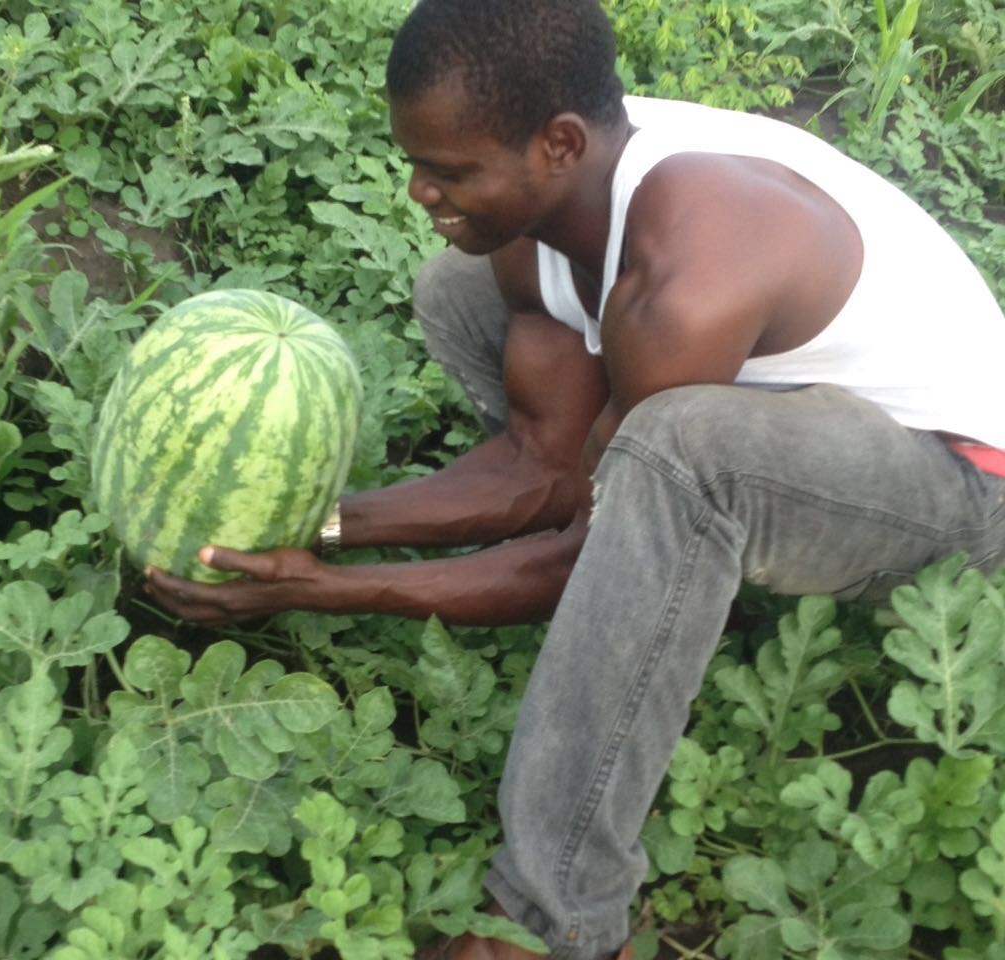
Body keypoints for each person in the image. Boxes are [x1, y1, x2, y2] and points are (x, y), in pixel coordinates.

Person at [144, 0, 1005, 956]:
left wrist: (333, 592)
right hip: (789, 427)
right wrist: (310, 525)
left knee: (680, 454)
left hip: (956, 487)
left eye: (451, 171)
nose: (423, 192)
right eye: (418, 164)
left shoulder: (691, 270)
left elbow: (582, 547)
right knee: (457, 290)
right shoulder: (556, 196)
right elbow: (543, 469)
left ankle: (555, 918)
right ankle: (648, 597)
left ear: (558, 143)